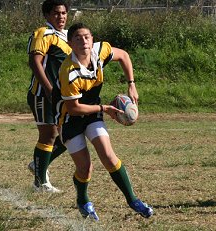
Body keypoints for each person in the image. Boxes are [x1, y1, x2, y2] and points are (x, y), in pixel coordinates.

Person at [52, 23, 153, 220]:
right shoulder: (69, 71)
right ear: (70, 43)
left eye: (87, 37)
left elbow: (123, 55)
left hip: (92, 113)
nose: (84, 41)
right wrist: (104, 108)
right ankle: (83, 200)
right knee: (85, 168)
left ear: (92, 39)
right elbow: (74, 108)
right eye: (78, 38)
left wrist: (131, 84)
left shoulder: (100, 51)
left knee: (108, 155)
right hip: (69, 119)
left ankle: (133, 200)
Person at [27, 0, 71, 192]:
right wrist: (48, 89)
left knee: (69, 135)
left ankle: (38, 165)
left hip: (63, 96)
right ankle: (40, 182)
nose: (60, 17)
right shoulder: (44, 33)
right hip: (42, 94)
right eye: (55, 13)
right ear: (46, 15)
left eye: (63, 13)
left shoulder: (70, 37)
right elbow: (35, 62)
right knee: (49, 134)